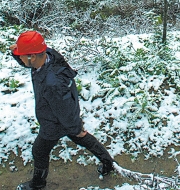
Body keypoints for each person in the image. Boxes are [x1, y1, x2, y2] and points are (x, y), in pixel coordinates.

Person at [11, 31, 115, 190]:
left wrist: (75, 127)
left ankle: (37, 185)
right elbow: (28, 60)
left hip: (54, 122)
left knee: (39, 151)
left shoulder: (53, 84)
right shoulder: (48, 56)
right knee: (82, 137)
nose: (20, 58)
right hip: (60, 116)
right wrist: (16, 52)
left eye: (22, 56)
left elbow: (65, 110)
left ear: (32, 56)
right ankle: (109, 164)